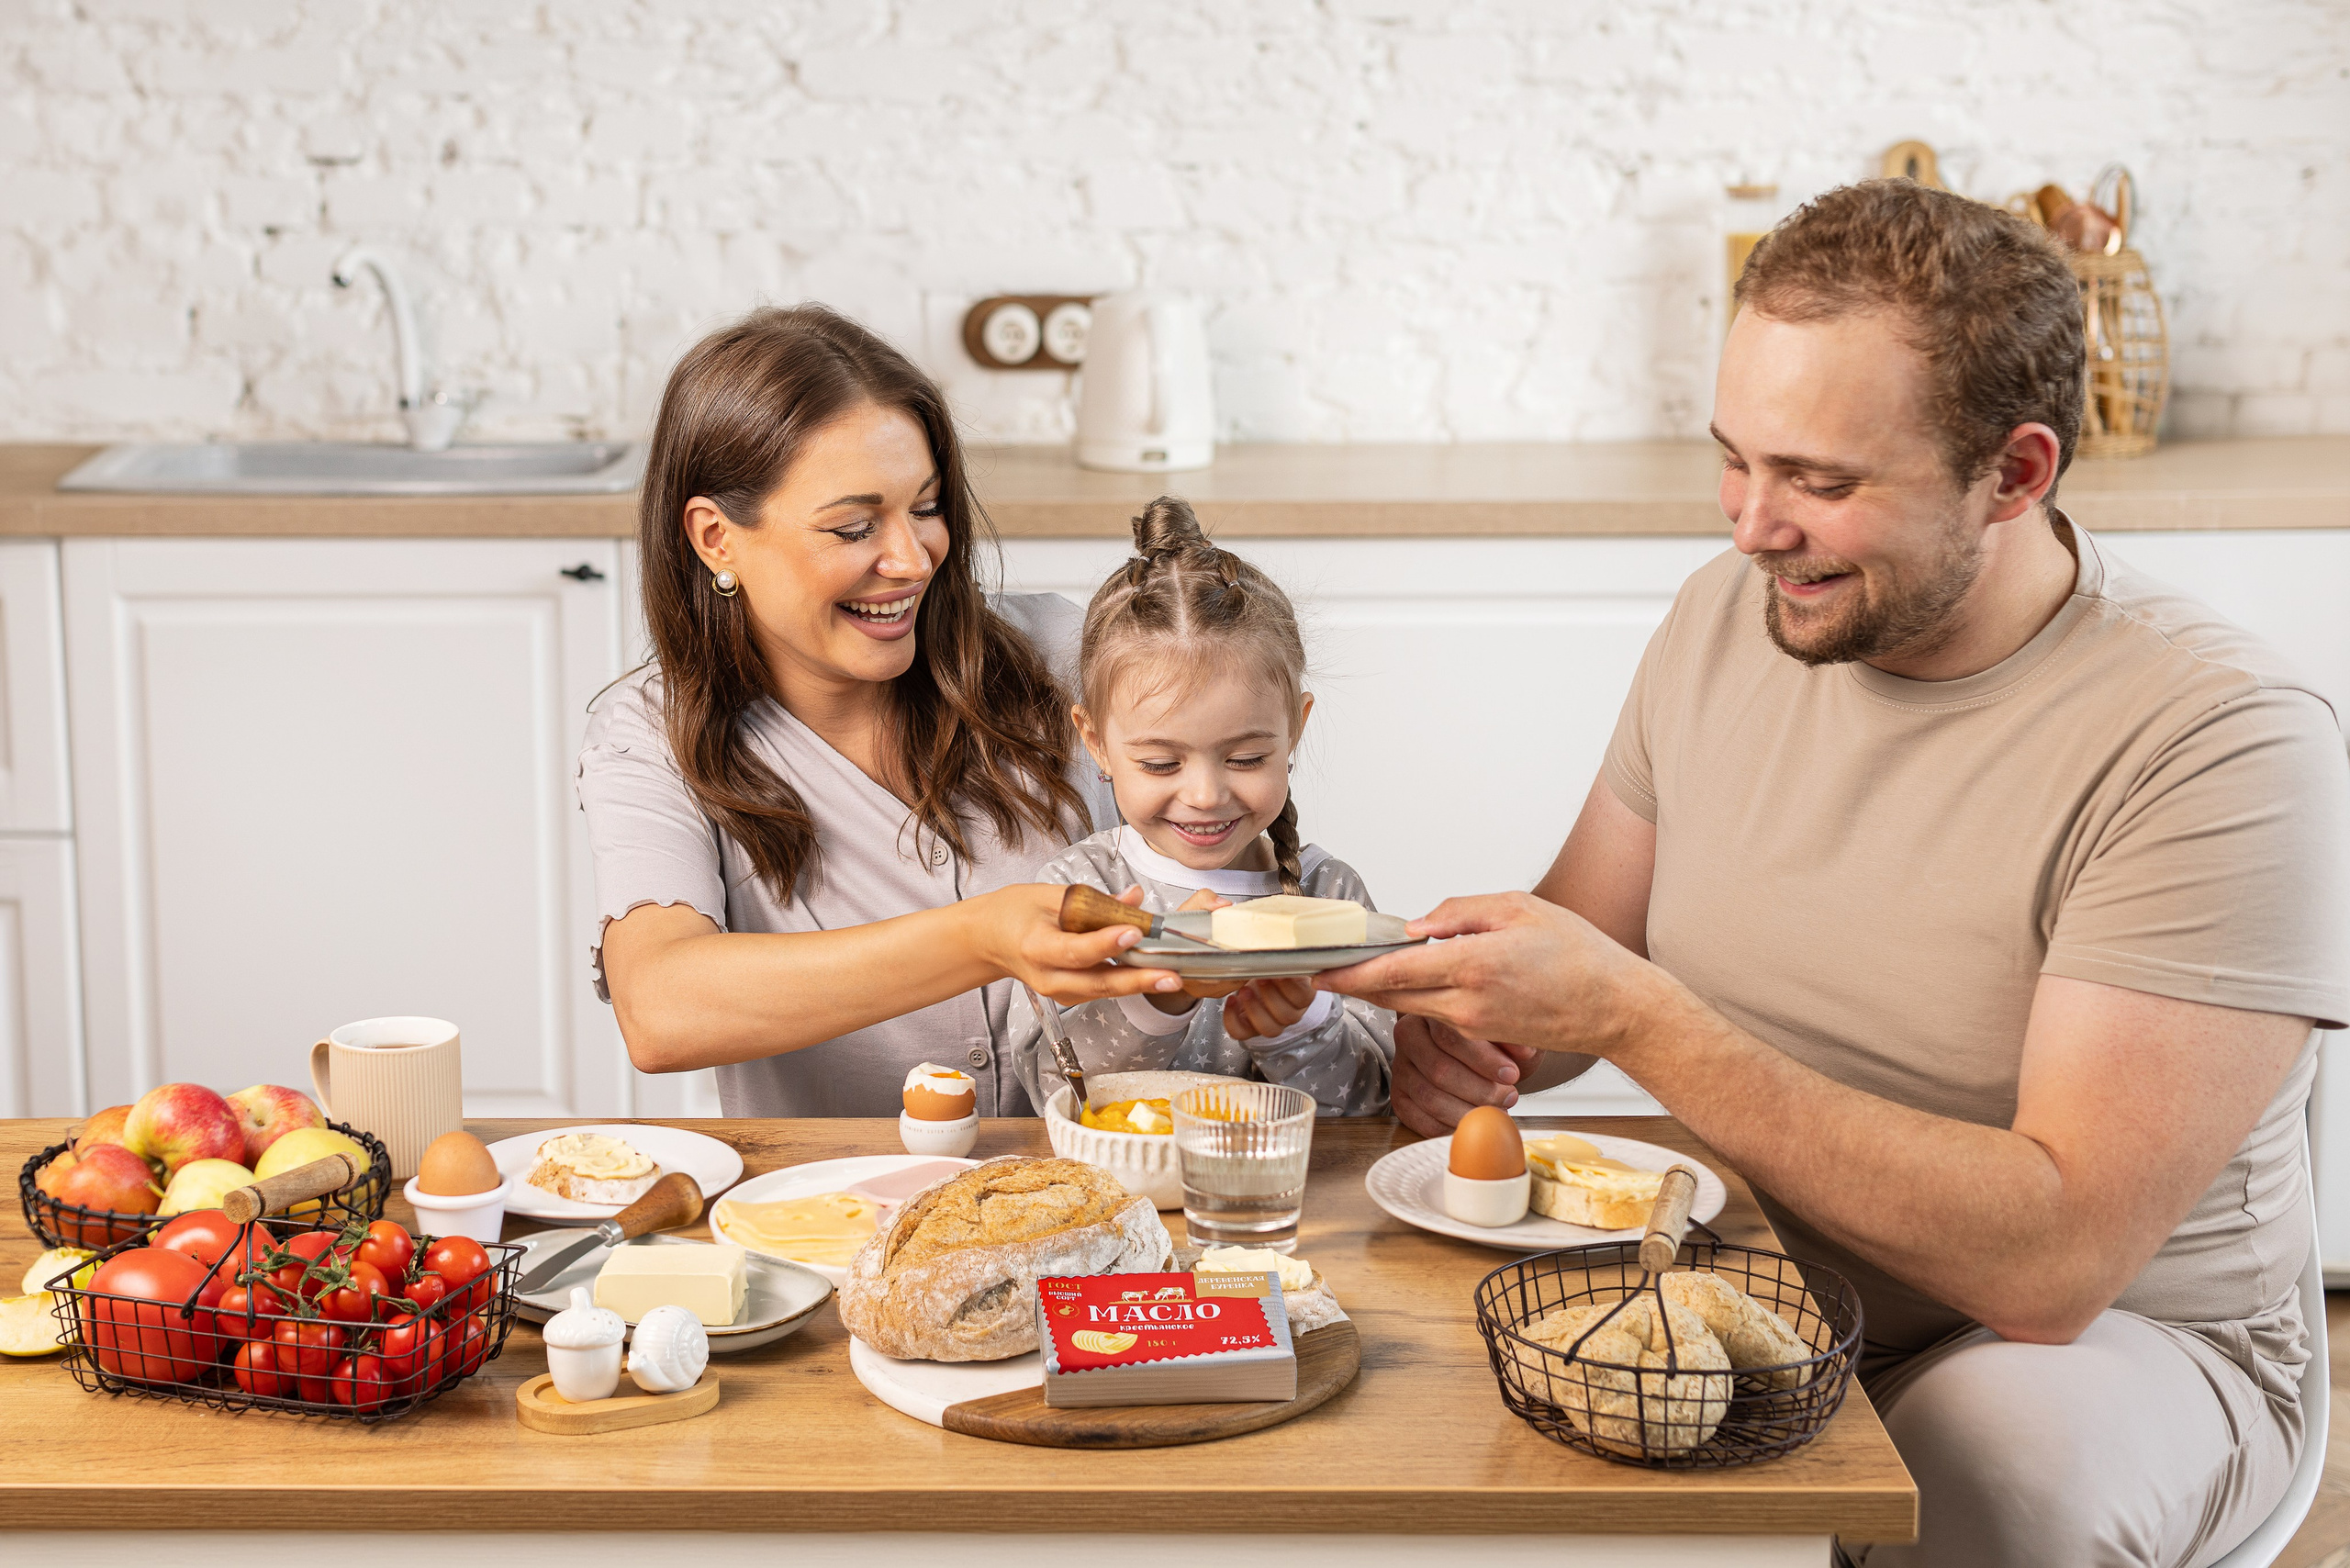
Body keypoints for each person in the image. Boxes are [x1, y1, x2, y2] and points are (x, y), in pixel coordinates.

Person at [1324, 181, 2350, 1568]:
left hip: (2096, 1345)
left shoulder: (2217, 741)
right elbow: (1585, 953)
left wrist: (1635, 1017)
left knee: (1992, 1463)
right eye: (1734, 460)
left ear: (2017, 473)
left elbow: (2053, 1264)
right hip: (1749, 1278)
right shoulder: (1730, 616)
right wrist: (1477, 1029)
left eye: (1821, 481)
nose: (1751, 526)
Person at [579, 305, 1191, 1116]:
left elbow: (1228, 863)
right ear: (716, 538)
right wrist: (980, 938)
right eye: (854, 527)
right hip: (831, 1195)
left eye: (927, 508)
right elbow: (661, 1010)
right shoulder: (654, 735)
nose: (912, 560)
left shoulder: (1061, 654)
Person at [1005, 498, 1394, 1117]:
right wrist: (1160, 994)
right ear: (1096, 742)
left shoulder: (1331, 894)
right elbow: (1052, 1092)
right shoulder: (1082, 890)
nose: (1206, 795)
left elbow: (1377, 1104)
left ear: (1295, 729)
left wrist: (1300, 1026)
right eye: (1162, 763)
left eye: (1246, 758)